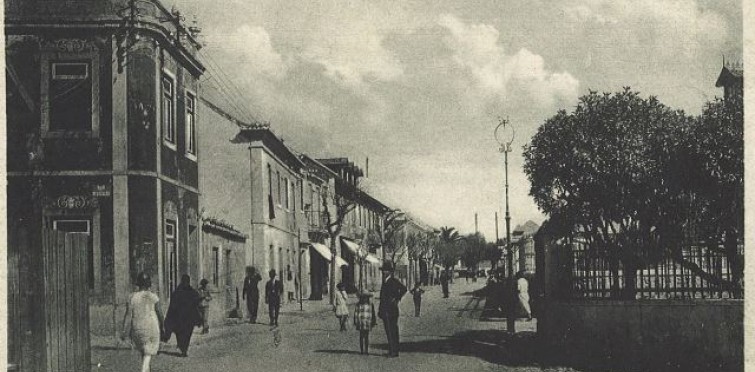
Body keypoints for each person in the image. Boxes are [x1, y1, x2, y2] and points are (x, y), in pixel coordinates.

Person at [121, 272, 163, 372]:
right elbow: (160, 313)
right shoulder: (153, 296)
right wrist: (163, 325)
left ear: (138, 284)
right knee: (148, 353)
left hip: (137, 328)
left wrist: (124, 331)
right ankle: (144, 370)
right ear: (149, 284)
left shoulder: (132, 297)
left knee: (144, 351)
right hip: (151, 327)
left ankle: (146, 369)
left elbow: (128, 315)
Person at [164, 274, 202, 357]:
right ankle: (183, 349)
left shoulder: (178, 292)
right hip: (186, 317)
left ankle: (183, 348)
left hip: (183, 317)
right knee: (184, 333)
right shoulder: (189, 291)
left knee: (183, 333)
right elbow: (197, 300)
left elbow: (196, 300)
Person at [378, 261, 407, 357]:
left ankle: (394, 351)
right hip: (385, 309)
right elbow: (382, 298)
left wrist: (397, 298)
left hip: (392, 309)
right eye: (383, 270)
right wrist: (380, 310)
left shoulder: (393, 281)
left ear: (390, 272)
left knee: (392, 330)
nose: (383, 272)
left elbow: (404, 289)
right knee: (388, 330)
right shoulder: (385, 281)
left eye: (385, 271)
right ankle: (392, 350)